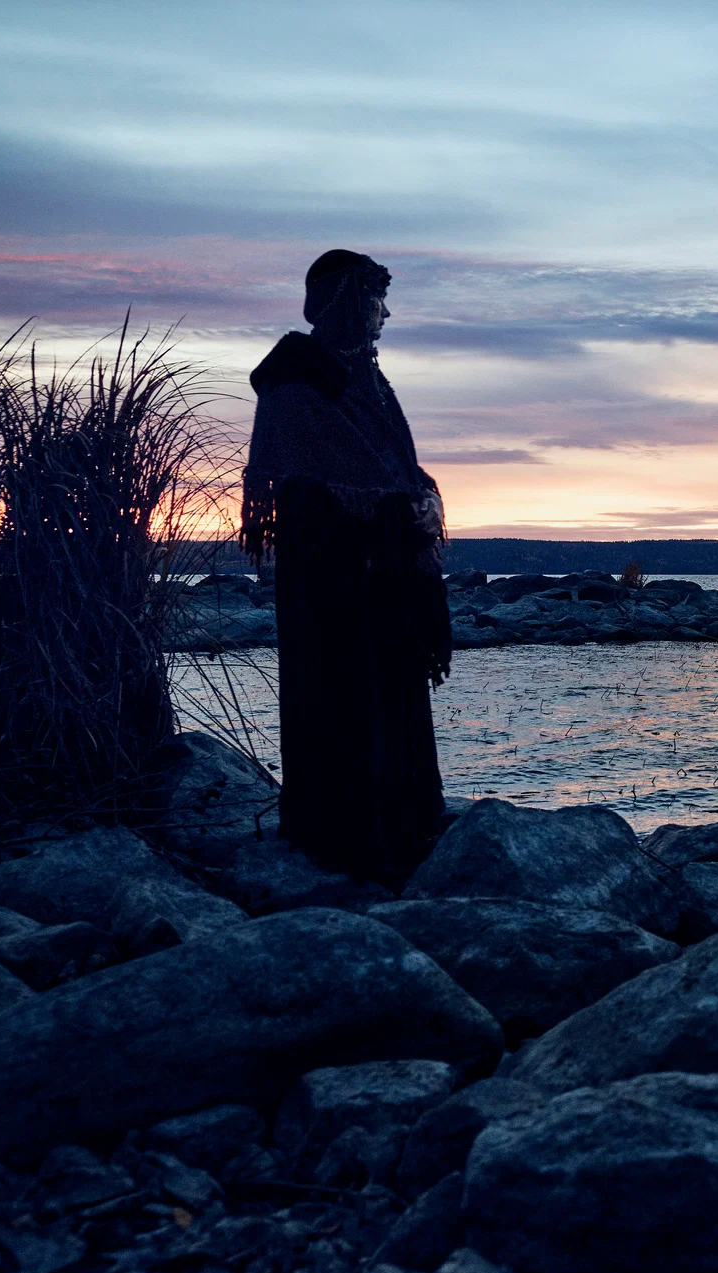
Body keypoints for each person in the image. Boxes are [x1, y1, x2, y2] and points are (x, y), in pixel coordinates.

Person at [241, 250, 450, 889]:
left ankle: (406, 821)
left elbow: (391, 466)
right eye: (373, 298)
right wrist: (394, 508)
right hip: (330, 572)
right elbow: (314, 480)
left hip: (382, 570)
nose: (384, 313)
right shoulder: (296, 380)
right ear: (340, 302)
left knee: (392, 690)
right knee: (341, 689)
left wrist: (416, 500)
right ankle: (347, 833)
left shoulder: (367, 378)